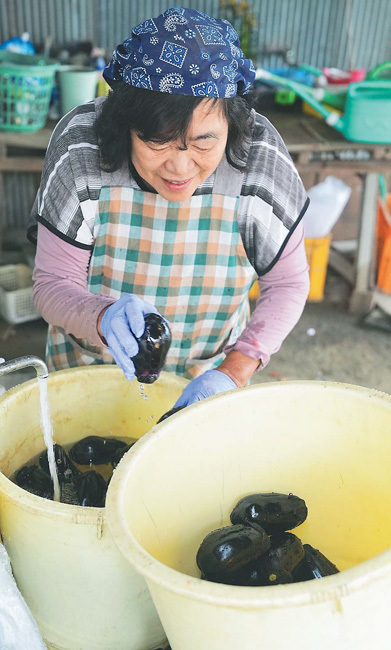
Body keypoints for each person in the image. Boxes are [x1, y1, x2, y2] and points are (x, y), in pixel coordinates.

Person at [28, 7, 310, 408]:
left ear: (234, 120)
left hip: (207, 374)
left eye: (203, 142)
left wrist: (232, 372)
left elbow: (288, 283)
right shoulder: (82, 150)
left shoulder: (258, 162)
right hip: (90, 366)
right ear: (124, 122)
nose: (180, 167)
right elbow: (52, 283)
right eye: (156, 142)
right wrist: (100, 317)